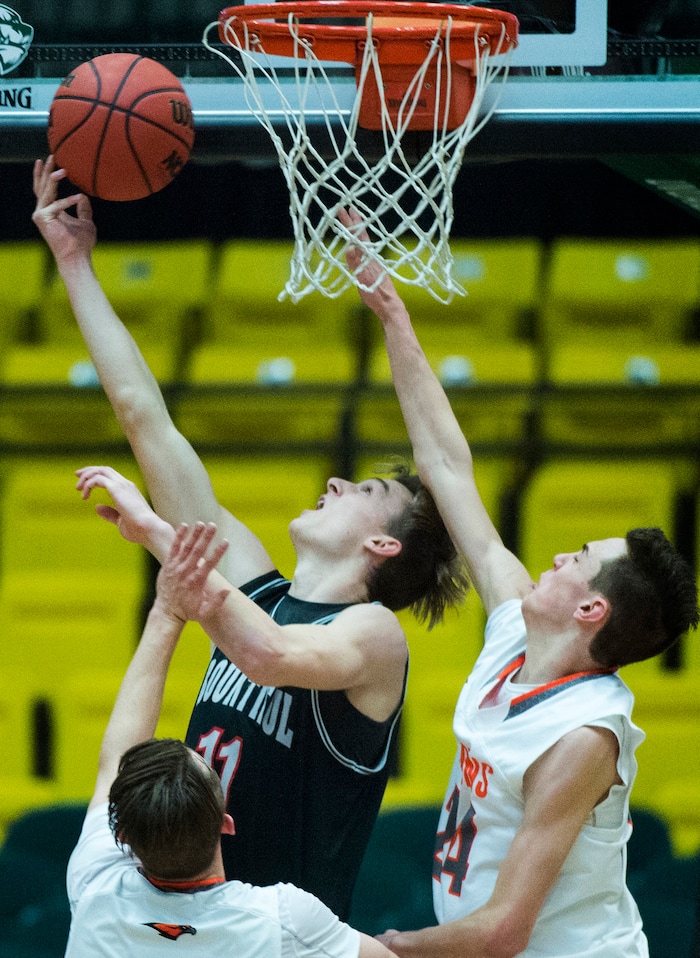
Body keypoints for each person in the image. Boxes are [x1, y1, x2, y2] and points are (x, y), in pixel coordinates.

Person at [32, 156, 468, 921]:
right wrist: (74, 266)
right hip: (187, 918)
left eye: (364, 491)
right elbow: (145, 418)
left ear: (385, 547)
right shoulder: (256, 587)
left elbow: (267, 655)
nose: (335, 482)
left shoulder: (371, 635)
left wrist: (166, 540)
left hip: (280, 937)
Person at [338, 208, 700, 957]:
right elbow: (446, 466)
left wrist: (380, 949)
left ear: (592, 609)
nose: (558, 559)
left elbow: (505, 931)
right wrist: (393, 316)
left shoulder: (580, 738)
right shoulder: (514, 626)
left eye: (576, 558)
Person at [66, 517, 394, 957]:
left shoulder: (96, 885)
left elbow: (116, 755)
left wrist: (166, 613)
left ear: (121, 835)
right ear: (226, 823)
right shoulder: (282, 921)